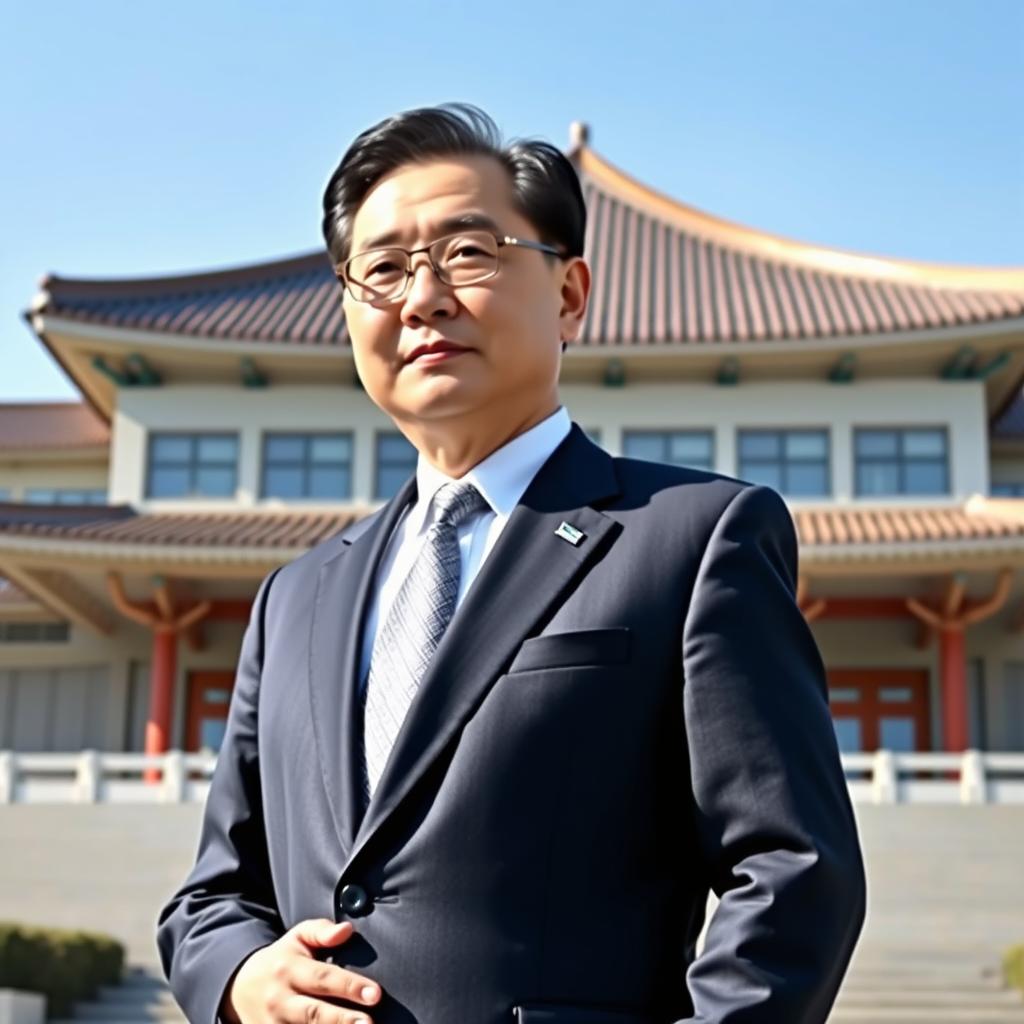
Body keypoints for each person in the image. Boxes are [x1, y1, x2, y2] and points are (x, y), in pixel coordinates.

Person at [157, 102, 866, 1024]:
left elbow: (792, 870)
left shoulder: (694, 539)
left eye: (467, 253)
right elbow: (213, 896)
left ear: (570, 294)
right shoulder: (296, 597)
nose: (422, 298)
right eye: (382, 270)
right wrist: (242, 978)